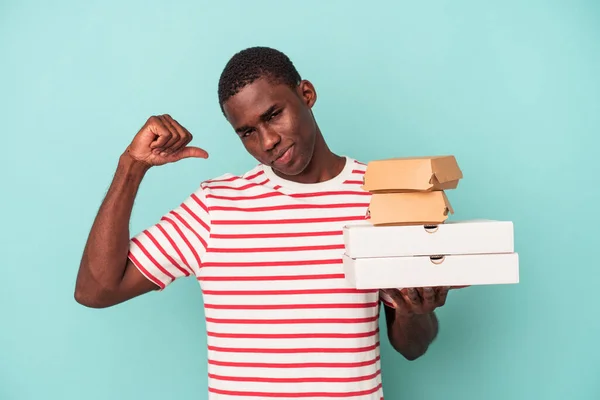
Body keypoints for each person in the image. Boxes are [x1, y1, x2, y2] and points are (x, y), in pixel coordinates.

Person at [75, 46, 453, 399]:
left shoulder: (382, 198)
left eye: (273, 115)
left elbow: (412, 347)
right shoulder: (215, 208)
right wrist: (132, 166)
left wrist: (413, 311)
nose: (267, 141)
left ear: (306, 94)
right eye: (247, 132)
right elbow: (96, 291)